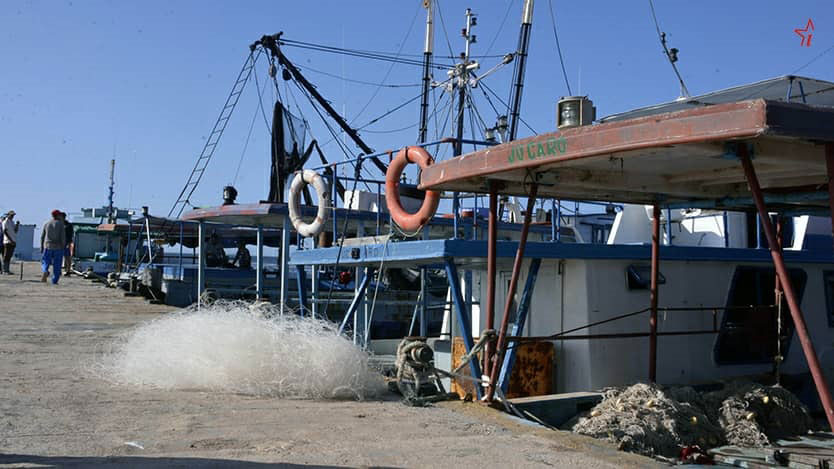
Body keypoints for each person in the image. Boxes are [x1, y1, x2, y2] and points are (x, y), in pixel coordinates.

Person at [41, 210, 66, 284]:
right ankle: (54, 280)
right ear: (57, 215)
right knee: (57, 265)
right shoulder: (60, 224)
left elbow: (42, 236)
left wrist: (42, 246)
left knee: (45, 262)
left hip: (48, 246)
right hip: (58, 247)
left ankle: (45, 271)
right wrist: (63, 245)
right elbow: (62, 236)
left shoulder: (47, 224)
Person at [2, 210, 18, 275]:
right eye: (11, 215)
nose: (12, 216)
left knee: (9, 256)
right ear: (8, 215)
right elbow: (5, 232)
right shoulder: (5, 221)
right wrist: (11, 240)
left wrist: (17, 225)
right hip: (7, 241)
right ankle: (4, 270)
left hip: (13, 241)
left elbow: (15, 231)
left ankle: (7, 270)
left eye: (13, 215)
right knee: (6, 256)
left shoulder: (12, 222)